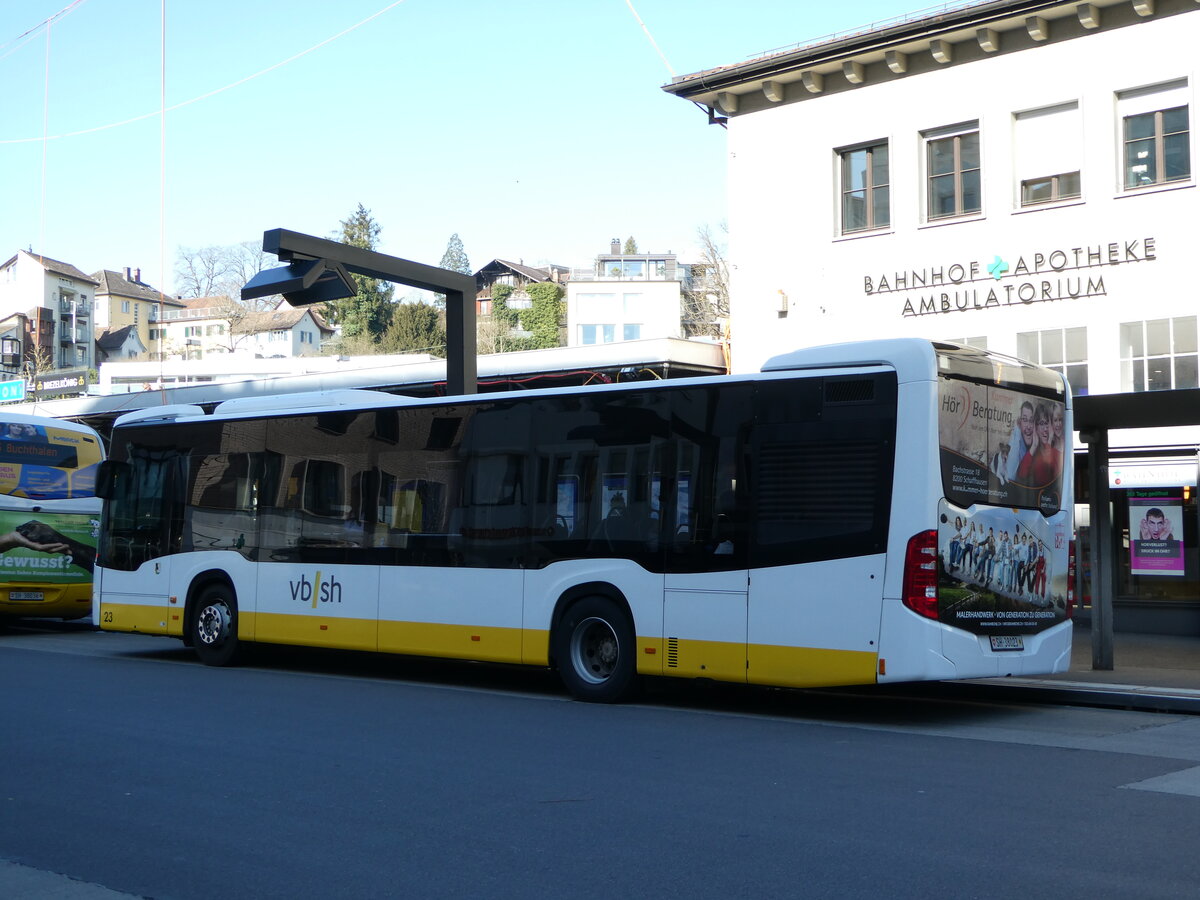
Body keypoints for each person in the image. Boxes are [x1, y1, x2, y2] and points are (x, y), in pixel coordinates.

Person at [1016, 402, 1061, 486]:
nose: (1045, 429)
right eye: (1041, 423)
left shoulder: (1058, 455)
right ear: (1035, 427)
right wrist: (1034, 446)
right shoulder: (1031, 455)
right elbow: (1020, 478)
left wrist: (1048, 443)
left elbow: (1053, 480)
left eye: (1047, 423)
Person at [1006, 401, 1037, 482]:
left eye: (1031, 420)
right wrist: (1017, 430)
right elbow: (1009, 474)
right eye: (1025, 420)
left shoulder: (1037, 446)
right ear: (1019, 423)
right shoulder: (1016, 443)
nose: (1029, 426)